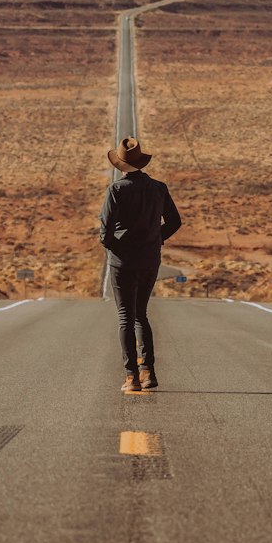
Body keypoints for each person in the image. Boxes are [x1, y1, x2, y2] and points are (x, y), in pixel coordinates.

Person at [100, 136, 181, 393]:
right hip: (149, 259)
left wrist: (121, 250)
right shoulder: (159, 188)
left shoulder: (116, 190)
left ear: (120, 165)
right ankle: (148, 372)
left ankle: (131, 376)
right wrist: (156, 239)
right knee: (141, 315)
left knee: (125, 316)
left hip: (123, 262)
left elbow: (105, 233)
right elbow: (175, 222)